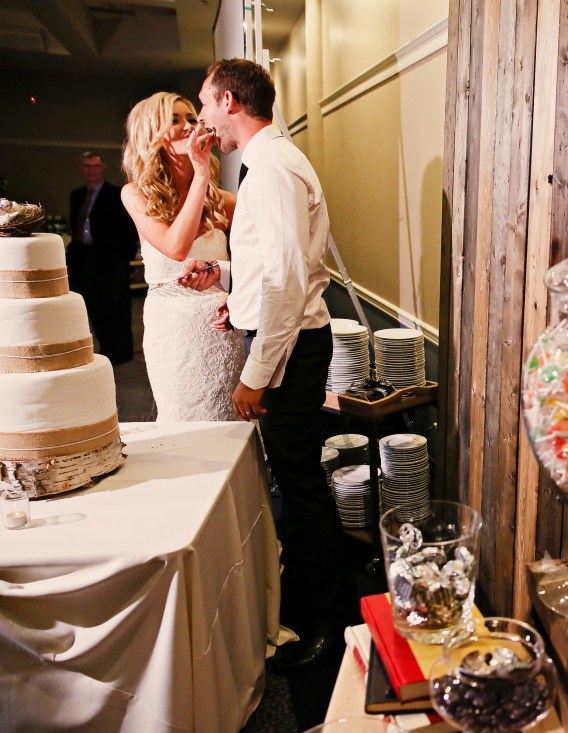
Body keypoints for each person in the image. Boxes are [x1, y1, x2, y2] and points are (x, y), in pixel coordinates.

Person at [180, 58, 350, 673]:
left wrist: (255, 374)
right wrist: (228, 281)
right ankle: (309, 603)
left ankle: (322, 621)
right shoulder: (268, 162)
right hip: (289, 338)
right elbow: (273, 269)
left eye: (204, 103)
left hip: (293, 351)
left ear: (229, 100)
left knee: (300, 484)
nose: (202, 117)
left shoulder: (273, 167)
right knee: (295, 479)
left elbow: (284, 281)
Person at [120, 92, 244, 421]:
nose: (188, 125)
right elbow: (175, 247)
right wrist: (201, 176)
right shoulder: (135, 194)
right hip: (172, 330)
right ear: (151, 134)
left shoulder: (226, 202)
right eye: (174, 120)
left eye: (191, 117)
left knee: (229, 422)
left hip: (221, 327)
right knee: (181, 416)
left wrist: (236, 294)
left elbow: (254, 264)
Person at [68, 152, 139, 364]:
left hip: (112, 260)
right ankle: (106, 347)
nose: (91, 170)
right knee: (95, 307)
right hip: (86, 258)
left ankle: (122, 352)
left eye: (95, 166)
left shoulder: (116, 194)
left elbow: (128, 229)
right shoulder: (77, 195)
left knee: (117, 306)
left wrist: (124, 256)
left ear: (103, 168)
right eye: (87, 166)